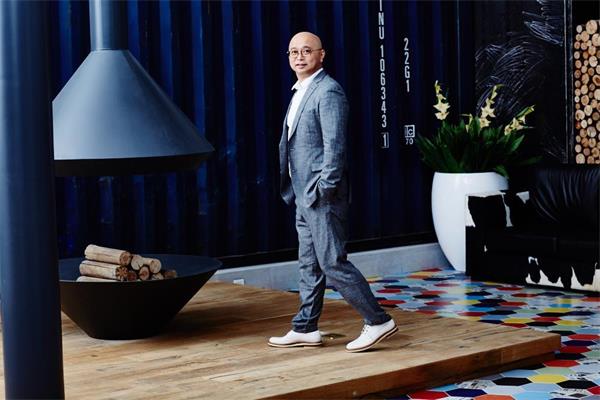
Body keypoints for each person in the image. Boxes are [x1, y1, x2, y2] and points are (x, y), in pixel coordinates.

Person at [268, 32, 397, 353]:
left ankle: (378, 321)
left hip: (321, 195)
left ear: (321, 55)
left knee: (332, 263)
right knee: (308, 263)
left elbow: (335, 147)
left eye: (306, 51)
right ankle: (305, 327)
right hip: (303, 194)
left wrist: (323, 189)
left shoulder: (328, 91)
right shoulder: (301, 91)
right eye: (293, 52)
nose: (299, 57)